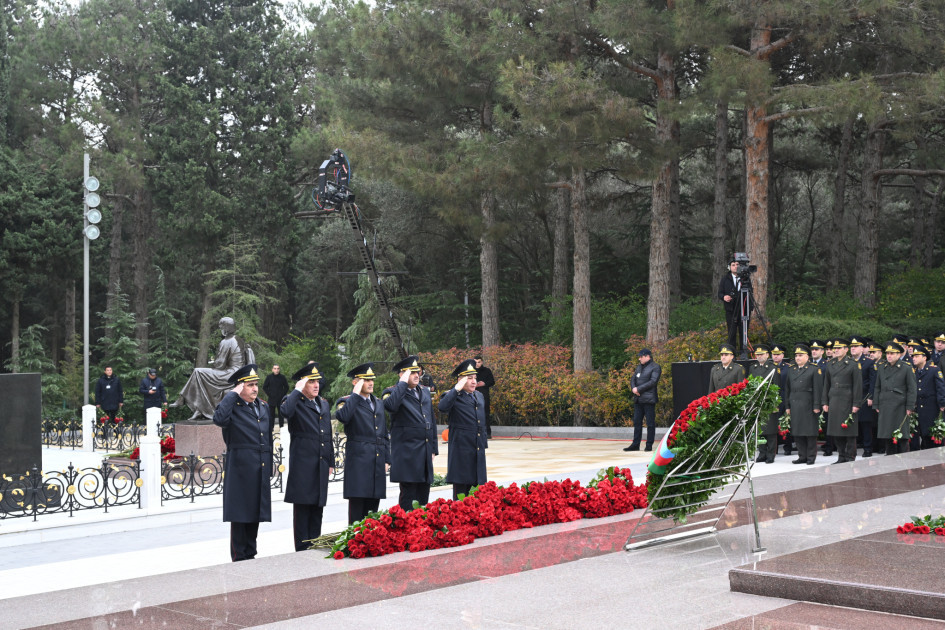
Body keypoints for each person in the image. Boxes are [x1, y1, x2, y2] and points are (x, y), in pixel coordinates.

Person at [212, 364, 272, 562]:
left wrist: (268, 467)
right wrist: (232, 394)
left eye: (256, 385)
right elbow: (219, 419)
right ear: (240, 388)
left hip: (258, 469)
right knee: (240, 516)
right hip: (240, 470)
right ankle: (239, 559)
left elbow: (267, 437)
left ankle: (251, 554)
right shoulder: (232, 407)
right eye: (250, 385)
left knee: (255, 514)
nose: (255, 389)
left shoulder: (263, 407)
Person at [281, 363, 333, 552]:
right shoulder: (294, 401)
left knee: (317, 511)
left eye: (317, 381)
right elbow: (285, 412)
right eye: (311, 381)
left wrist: (331, 460)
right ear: (302, 384)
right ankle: (302, 553)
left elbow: (327, 434)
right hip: (303, 465)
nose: (316, 385)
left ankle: (316, 548)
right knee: (303, 512)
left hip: (320, 463)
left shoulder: (323, 403)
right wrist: (296, 391)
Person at [334, 363, 390, 524]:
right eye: (366, 380)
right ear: (356, 382)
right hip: (359, 462)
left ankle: (370, 542)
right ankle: (355, 543)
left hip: (376, 460)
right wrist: (356, 394)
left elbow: (384, 432)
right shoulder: (347, 402)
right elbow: (343, 417)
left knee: (373, 510)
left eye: (371, 379)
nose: (371, 383)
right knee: (357, 510)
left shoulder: (378, 402)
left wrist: (387, 458)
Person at [383, 355, 438, 511]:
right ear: (401, 374)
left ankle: (421, 531)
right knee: (408, 499)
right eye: (411, 372)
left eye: (417, 371)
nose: (416, 375)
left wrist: (433, 447)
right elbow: (391, 406)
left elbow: (431, 421)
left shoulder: (424, 392)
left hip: (424, 451)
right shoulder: (391, 392)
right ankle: (407, 532)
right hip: (407, 454)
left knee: (423, 497)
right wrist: (402, 384)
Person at [172, 317, 248, 421]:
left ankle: (183, 398)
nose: (221, 330)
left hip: (231, 373)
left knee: (198, 372)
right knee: (199, 374)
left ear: (226, 328)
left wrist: (212, 362)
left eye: (221, 327)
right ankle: (199, 409)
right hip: (237, 372)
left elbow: (220, 364)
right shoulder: (238, 339)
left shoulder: (227, 341)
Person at [439, 359, 488, 501]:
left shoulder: (479, 395)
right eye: (469, 378)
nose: (474, 382)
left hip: (477, 449)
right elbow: (442, 407)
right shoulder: (452, 396)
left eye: (475, 378)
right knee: (461, 493)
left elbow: (481, 422)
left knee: (477, 490)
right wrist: (456, 388)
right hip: (461, 451)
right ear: (460, 380)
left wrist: (483, 443)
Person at [871, 342, 917, 455]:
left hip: (900, 406)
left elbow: (912, 389)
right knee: (887, 435)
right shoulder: (882, 367)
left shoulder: (906, 367)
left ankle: (904, 462)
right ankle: (890, 461)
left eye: (892, 353)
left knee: (902, 436)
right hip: (885, 404)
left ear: (898, 354)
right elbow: (877, 387)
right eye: (888, 353)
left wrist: (910, 406)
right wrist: (876, 404)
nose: (889, 356)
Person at [823, 338, 862, 464]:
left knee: (849, 431)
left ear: (846, 349)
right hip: (834, 399)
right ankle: (841, 456)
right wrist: (825, 402)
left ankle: (850, 457)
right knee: (836, 430)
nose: (836, 350)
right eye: (835, 348)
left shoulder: (853, 364)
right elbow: (826, 384)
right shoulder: (831, 363)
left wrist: (856, 403)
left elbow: (857, 385)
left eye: (839, 348)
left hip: (847, 400)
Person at [784, 344, 823, 465]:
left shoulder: (814, 369)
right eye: (796, 355)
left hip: (808, 404)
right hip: (795, 403)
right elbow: (787, 389)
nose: (797, 358)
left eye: (800, 355)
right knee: (797, 431)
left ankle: (811, 457)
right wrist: (787, 406)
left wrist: (817, 406)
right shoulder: (792, 369)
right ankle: (802, 456)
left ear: (807, 356)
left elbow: (818, 389)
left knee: (810, 432)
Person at [624, 348, 662, 452]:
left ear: (647, 356)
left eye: (641, 357)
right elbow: (633, 379)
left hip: (649, 399)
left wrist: (639, 389)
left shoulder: (655, 367)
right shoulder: (639, 367)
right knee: (637, 422)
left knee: (650, 423)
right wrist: (634, 389)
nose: (639, 359)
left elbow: (653, 381)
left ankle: (649, 445)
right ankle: (635, 444)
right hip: (638, 399)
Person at [910, 346, 945, 450]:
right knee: (924, 436)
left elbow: (941, 388)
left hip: (932, 409)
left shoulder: (933, 370)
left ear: (924, 358)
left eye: (917, 356)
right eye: (913, 356)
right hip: (919, 410)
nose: (914, 358)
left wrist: (942, 404)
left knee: (934, 437)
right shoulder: (914, 372)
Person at [748, 345, 777, 463]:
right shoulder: (753, 368)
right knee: (760, 430)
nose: (759, 356)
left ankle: (771, 455)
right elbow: (750, 384)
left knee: (770, 430)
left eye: (762, 354)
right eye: (757, 355)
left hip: (769, 402)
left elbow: (777, 386)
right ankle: (762, 453)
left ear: (767, 355)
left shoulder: (772, 367)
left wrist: (775, 403)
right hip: (758, 402)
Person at [850, 337, 875, 456]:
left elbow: (872, 381)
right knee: (852, 422)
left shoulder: (869, 362)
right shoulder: (848, 361)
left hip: (864, 396)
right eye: (851, 347)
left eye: (856, 346)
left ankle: (867, 448)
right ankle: (851, 448)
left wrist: (871, 396)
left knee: (865, 423)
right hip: (850, 396)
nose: (853, 348)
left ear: (862, 348)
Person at [769, 344, 792, 456]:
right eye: (774, 354)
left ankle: (788, 447)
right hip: (773, 398)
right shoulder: (769, 366)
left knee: (785, 422)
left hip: (784, 397)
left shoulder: (788, 367)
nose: (776, 357)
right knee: (773, 423)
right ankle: (775, 448)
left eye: (778, 355)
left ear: (783, 355)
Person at [717, 260, 744, 353]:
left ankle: (743, 352)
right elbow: (720, 293)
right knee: (732, 332)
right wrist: (724, 297)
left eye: (737, 265)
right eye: (733, 265)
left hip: (743, 310)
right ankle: (732, 354)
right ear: (729, 267)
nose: (736, 267)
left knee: (743, 332)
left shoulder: (744, 278)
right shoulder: (725, 279)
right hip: (731, 310)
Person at [474, 356, 496, 439]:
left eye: (479, 362)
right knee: (473, 414)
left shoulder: (487, 371)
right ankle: (474, 432)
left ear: (482, 362)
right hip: (472, 394)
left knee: (485, 413)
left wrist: (484, 384)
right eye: (475, 362)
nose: (477, 364)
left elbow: (492, 381)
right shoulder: (470, 371)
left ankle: (487, 433)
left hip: (484, 394)